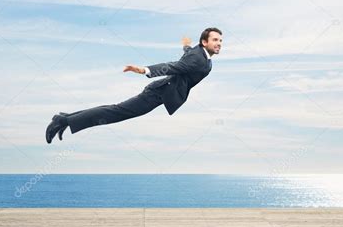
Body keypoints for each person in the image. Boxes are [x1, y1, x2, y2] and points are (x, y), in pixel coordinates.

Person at [46, 27, 222, 143]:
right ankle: (63, 121)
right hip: (158, 93)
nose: (219, 43)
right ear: (204, 42)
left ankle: (65, 119)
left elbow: (188, 56)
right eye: (215, 40)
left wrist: (185, 46)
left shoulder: (200, 55)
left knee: (115, 109)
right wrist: (144, 70)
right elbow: (173, 66)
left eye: (220, 41)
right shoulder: (199, 58)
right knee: (116, 112)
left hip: (161, 91)